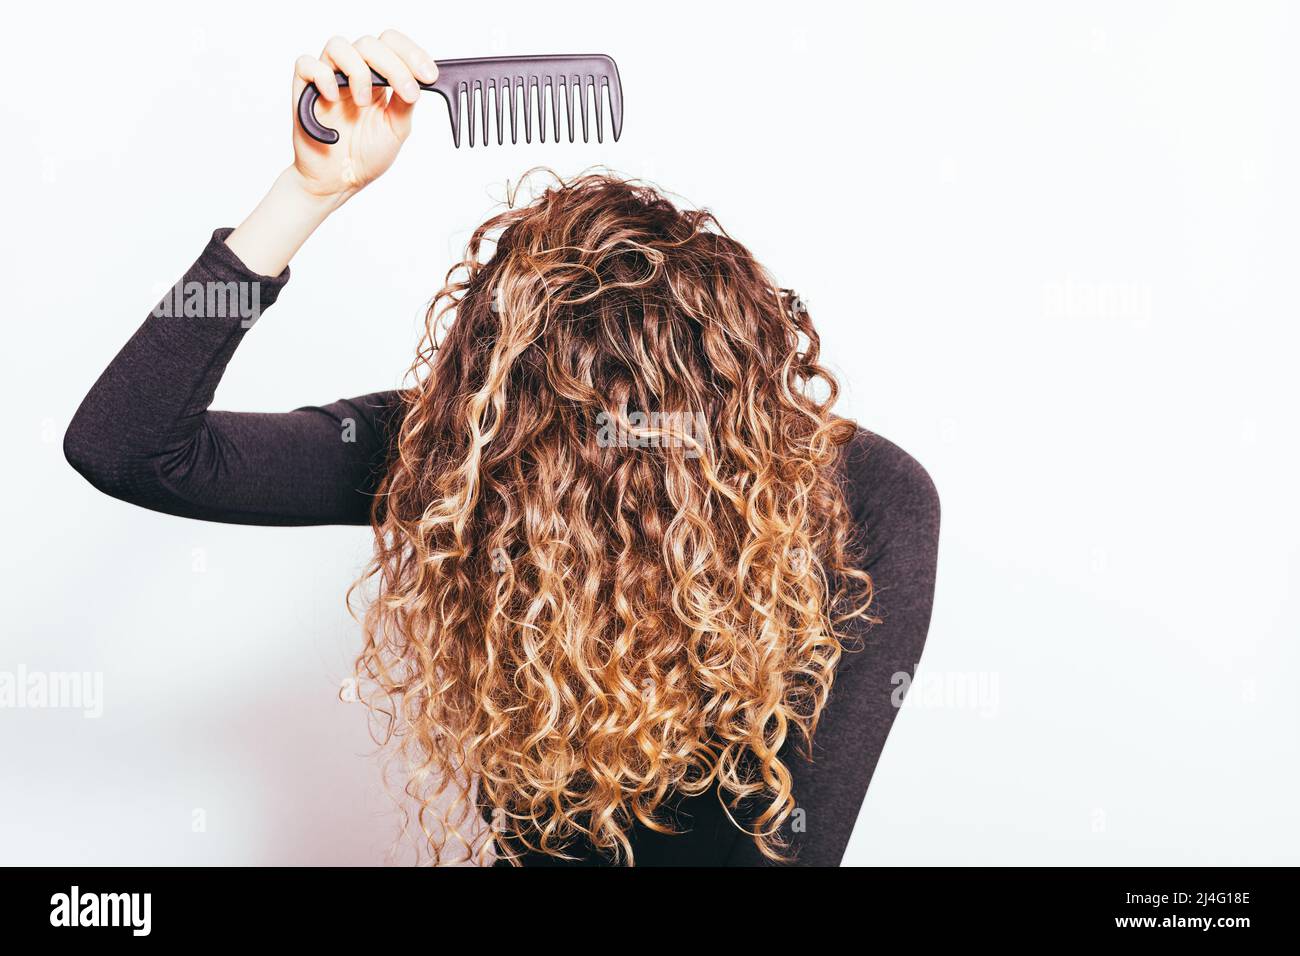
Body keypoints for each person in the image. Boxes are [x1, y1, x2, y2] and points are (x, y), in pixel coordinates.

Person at [63, 30, 941, 866]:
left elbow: (795, 850)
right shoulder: (465, 447)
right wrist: (308, 190)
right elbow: (127, 446)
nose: (620, 461)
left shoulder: (862, 496)